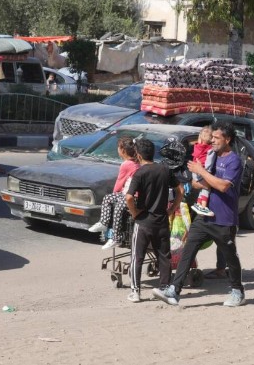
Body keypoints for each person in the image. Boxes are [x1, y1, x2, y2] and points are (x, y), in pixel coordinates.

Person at [153, 121, 246, 307]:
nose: (212, 140)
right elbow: (197, 183)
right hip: (204, 215)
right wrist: (201, 176)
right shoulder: (211, 156)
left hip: (224, 218)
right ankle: (174, 290)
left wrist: (202, 173)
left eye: (216, 138)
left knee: (230, 257)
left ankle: (237, 291)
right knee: (188, 250)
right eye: (211, 137)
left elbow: (223, 185)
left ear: (227, 139)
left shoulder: (233, 160)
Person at [125, 138, 183, 303]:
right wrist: (172, 208)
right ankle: (165, 288)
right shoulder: (165, 170)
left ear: (138, 155)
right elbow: (180, 190)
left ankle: (135, 292)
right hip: (162, 220)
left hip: (143, 222)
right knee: (164, 256)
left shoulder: (140, 173)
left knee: (138, 256)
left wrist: (135, 213)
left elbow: (129, 197)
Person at [88, 136, 140, 250]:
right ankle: (103, 223)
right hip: (128, 194)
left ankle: (116, 237)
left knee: (117, 206)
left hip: (133, 196)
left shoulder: (126, 164)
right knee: (108, 198)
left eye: (118, 147)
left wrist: (115, 193)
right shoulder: (134, 162)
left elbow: (120, 182)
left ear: (123, 150)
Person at [190, 126, 216, 217]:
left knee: (202, 188)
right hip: (201, 170)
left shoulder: (197, 147)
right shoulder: (210, 149)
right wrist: (207, 172)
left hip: (194, 172)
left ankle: (198, 204)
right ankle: (203, 206)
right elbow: (209, 161)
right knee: (206, 188)